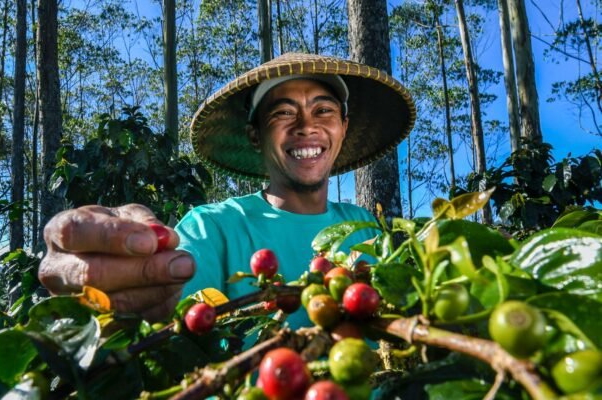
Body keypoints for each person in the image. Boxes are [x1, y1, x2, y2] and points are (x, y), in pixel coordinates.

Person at [38, 53, 415, 325]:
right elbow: (168, 306)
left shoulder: (366, 227)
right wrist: (115, 288)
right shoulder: (212, 228)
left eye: (323, 111)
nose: (306, 126)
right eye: (283, 113)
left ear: (343, 128)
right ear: (255, 135)